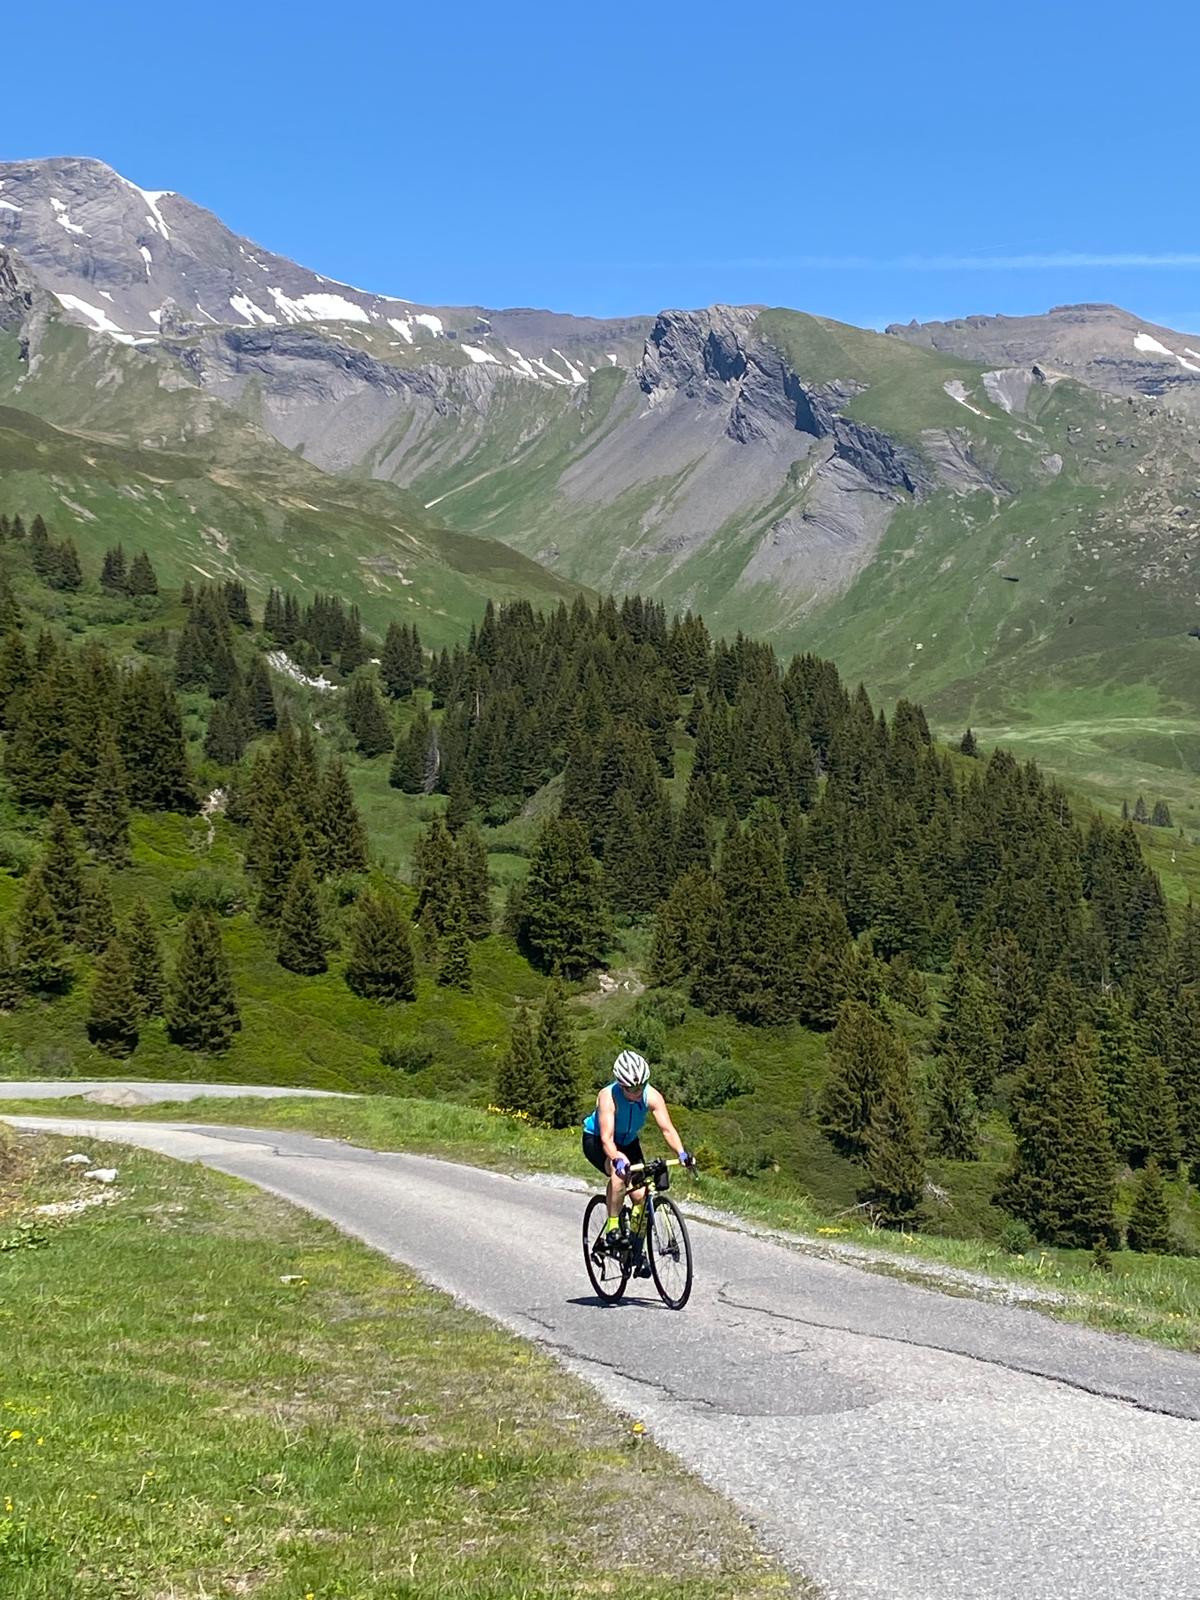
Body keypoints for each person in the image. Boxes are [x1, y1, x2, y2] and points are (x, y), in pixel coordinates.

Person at [582, 1048, 692, 1274]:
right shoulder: (608, 1097)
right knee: (619, 1172)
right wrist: (616, 1158)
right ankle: (613, 1226)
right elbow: (607, 1139)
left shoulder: (651, 1095)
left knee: (641, 1195)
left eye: (641, 1086)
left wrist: (681, 1153)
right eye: (631, 1088)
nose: (637, 1091)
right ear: (620, 1084)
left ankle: (633, 1249)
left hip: (629, 1141)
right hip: (597, 1141)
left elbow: (667, 1129)